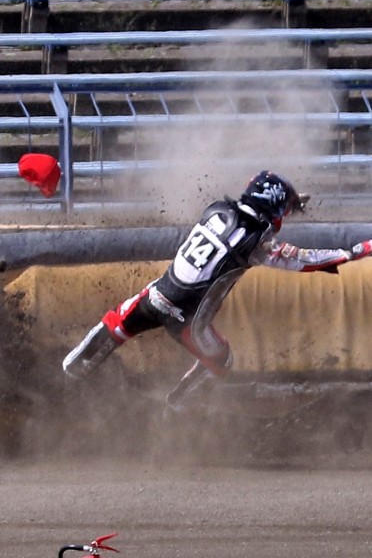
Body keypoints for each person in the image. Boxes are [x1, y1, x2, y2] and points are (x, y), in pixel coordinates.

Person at [61, 170, 372, 410]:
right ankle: (177, 408)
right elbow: (308, 260)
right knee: (221, 359)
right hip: (187, 322)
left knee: (117, 324)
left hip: (156, 296)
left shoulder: (216, 209)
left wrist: (286, 201)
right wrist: (357, 251)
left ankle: (65, 374)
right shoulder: (258, 244)